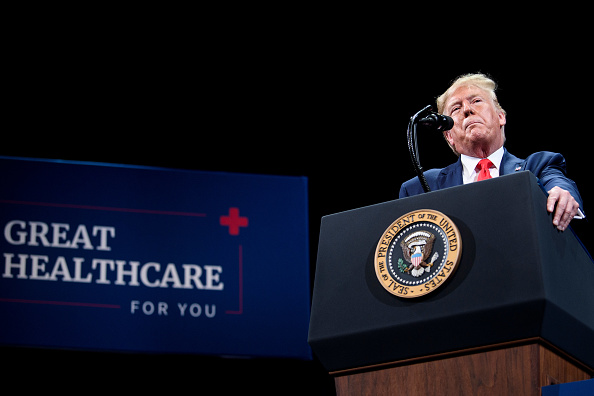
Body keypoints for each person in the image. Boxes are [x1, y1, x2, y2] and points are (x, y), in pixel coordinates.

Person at [399, 73, 584, 231]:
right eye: (456, 108)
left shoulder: (539, 165)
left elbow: (558, 184)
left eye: (476, 101)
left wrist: (562, 194)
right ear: (449, 136)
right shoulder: (422, 187)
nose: (467, 110)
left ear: (500, 117)